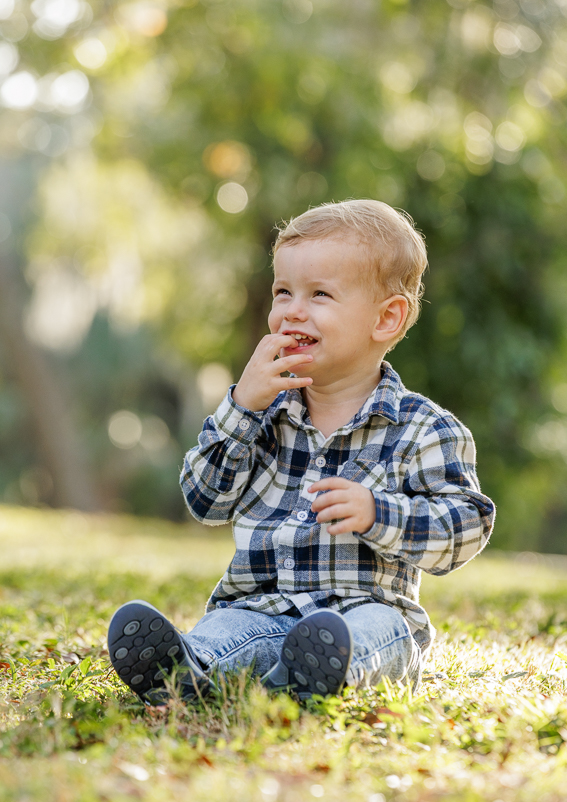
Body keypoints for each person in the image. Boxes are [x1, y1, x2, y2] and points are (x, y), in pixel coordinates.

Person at [107, 199, 495, 705]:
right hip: (259, 607)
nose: (292, 310)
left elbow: (465, 526)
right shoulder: (261, 414)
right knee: (226, 629)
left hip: (367, 613)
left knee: (373, 634)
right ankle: (187, 673)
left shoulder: (425, 430)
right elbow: (204, 501)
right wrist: (241, 406)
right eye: (283, 291)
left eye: (319, 295)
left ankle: (306, 680)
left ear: (386, 319)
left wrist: (380, 513)